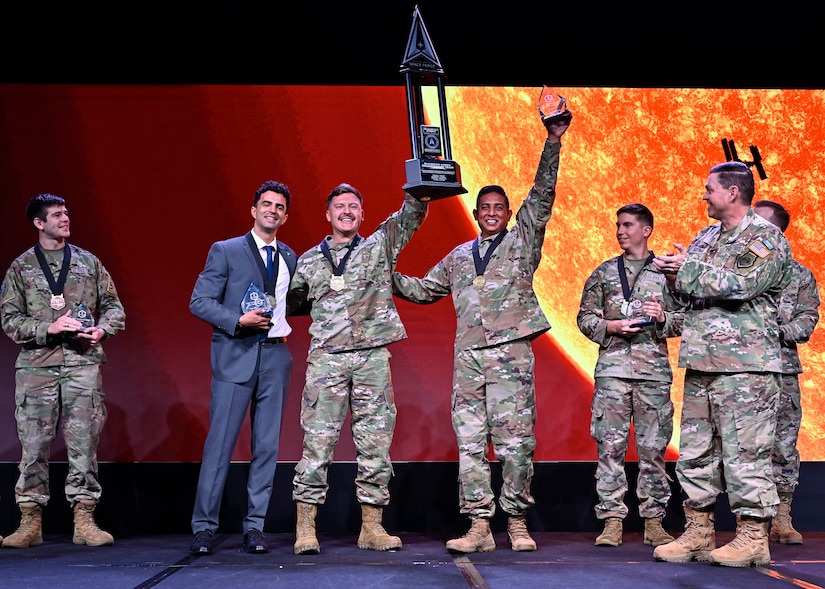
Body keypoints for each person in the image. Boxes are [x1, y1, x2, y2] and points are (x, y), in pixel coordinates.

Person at [391, 109, 570, 553]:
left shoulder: (521, 242)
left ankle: (517, 521)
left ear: (509, 214)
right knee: (471, 445)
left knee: (515, 443)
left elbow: (542, 195)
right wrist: (382, 273)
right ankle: (478, 526)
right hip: (469, 360)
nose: (491, 213)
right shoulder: (457, 257)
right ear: (475, 213)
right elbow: (422, 289)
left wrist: (553, 141)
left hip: (509, 356)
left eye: (499, 209)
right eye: (485, 208)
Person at [651, 161, 793, 567]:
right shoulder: (706, 237)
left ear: (733, 192)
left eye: (709, 188)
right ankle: (698, 531)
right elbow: (687, 295)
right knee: (696, 451)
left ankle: (752, 537)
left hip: (746, 366)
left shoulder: (766, 239)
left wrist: (688, 269)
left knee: (746, 453)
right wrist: (673, 276)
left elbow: (741, 284)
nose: (703, 195)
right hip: (702, 360)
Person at [286, 182, 428, 555]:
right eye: (339, 207)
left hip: (371, 360)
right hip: (327, 360)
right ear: (328, 215)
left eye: (353, 206)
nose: (346, 212)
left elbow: (409, 217)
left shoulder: (378, 247)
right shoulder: (307, 261)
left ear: (362, 214)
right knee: (317, 444)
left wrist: (422, 186)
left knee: (375, 444)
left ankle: (372, 527)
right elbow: (292, 302)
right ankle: (305, 528)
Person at [0, 192, 125, 548]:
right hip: (37, 368)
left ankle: (84, 520)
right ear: (39, 223)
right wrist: (48, 329)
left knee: (84, 445)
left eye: (66, 213)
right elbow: (9, 320)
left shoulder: (88, 262)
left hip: (82, 364)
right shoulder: (21, 268)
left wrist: (102, 328)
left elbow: (115, 308)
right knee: (34, 446)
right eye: (56, 215)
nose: (64, 219)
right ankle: (29, 523)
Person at [188, 180, 298, 555]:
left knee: (266, 447)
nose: (272, 210)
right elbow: (199, 301)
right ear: (253, 210)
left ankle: (255, 527)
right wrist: (238, 320)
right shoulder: (226, 250)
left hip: (276, 356)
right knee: (219, 446)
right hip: (236, 353)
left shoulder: (290, 257)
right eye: (266, 204)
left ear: (286, 215)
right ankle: (204, 528)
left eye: (279, 206)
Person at [577, 203, 683, 548]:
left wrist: (663, 317)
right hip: (613, 371)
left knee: (653, 449)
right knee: (610, 448)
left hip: (653, 373)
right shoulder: (604, 273)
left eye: (628, 225)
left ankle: (654, 520)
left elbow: (688, 319)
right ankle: (611, 520)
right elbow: (585, 318)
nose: (621, 231)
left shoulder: (667, 272)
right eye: (618, 225)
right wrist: (610, 325)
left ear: (646, 230)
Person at [753, 199, 820, 545]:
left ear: (777, 232)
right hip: (745, 371)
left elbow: (807, 321)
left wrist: (773, 331)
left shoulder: (799, 275)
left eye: (760, 224)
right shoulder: (742, 271)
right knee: (745, 447)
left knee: (783, 446)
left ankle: (781, 516)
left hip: (782, 369)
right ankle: (749, 521)